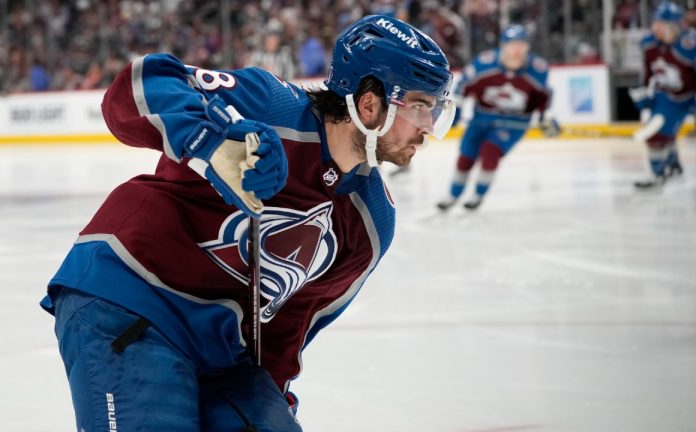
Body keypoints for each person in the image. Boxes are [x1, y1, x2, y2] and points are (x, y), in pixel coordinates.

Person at [40, 14, 455, 432]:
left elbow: (289, 326)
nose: (428, 127)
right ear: (370, 104)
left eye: (436, 110)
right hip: (131, 294)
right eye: (420, 106)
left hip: (224, 350)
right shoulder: (268, 104)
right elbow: (132, 91)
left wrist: (270, 401)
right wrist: (214, 139)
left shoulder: (372, 222)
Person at [437, 24, 559, 211]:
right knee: (466, 158)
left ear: (527, 47)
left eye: (522, 44)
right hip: (481, 119)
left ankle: (478, 194)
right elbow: (463, 87)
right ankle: (453, 195)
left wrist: (545, 117)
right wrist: (457, 110)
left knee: (490, 152)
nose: (517, 49)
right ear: (503, 45)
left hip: (514, 123)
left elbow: (543, 98)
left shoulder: (538, 69)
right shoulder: (485, 63)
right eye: (512, 44)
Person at [628, 2, 694, 188]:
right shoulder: (649, 44)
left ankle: (673, 164)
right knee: (657, 134)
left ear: (676, 25)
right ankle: (660, 173)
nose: (655, 27)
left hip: (690, 95)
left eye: (661, 23)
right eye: (655, 22)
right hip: (667, 96)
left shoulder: (690, 45)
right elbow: (646, 74)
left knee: (665, 130)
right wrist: (643, 93)